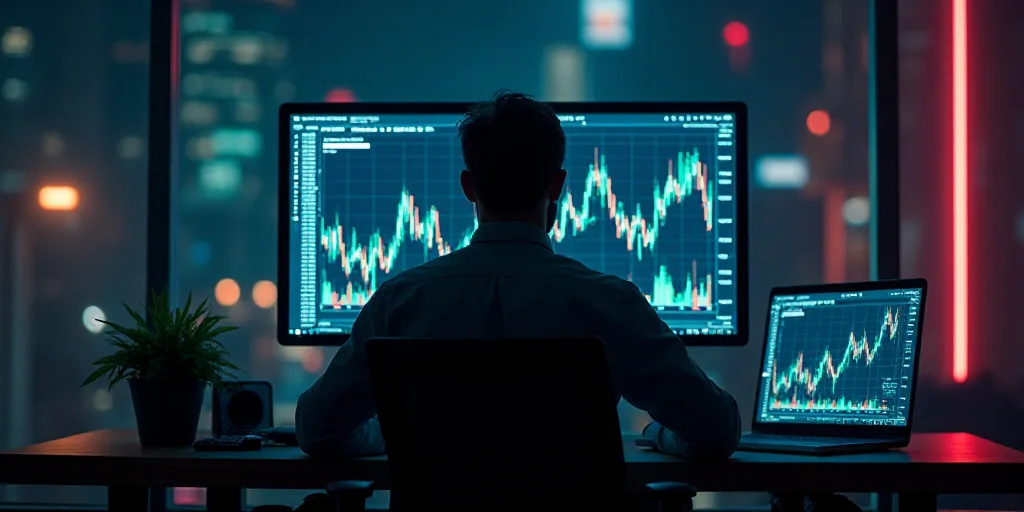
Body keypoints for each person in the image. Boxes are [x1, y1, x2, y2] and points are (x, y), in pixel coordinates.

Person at [295, 91, 741, 461]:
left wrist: (391, 440)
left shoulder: (400, 301)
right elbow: (716, 431)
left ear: (469, 187)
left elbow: (317, 431)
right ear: (558, 187)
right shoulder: (610, 302)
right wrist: (659, 435)